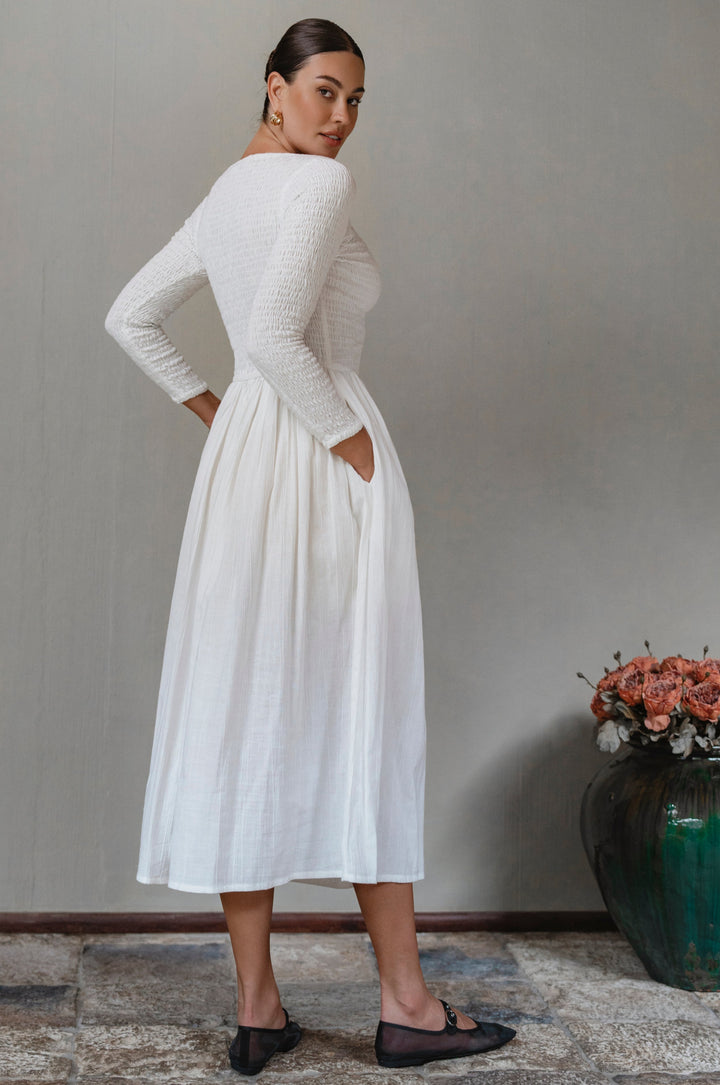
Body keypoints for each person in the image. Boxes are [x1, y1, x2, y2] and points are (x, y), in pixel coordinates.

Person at [105, 17, 515, 1076]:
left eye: (356, 99)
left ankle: (258, 1007)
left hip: (247, 463)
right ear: (274, 86)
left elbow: (132, 317)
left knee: (248, 706)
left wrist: (220, 412)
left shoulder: (224, 195)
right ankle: (406, 1004)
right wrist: (352, 448)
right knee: (359, 704)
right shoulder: (319, 187)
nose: (342, 117)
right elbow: (278, 338)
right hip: (321, 458)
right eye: (325, 90)